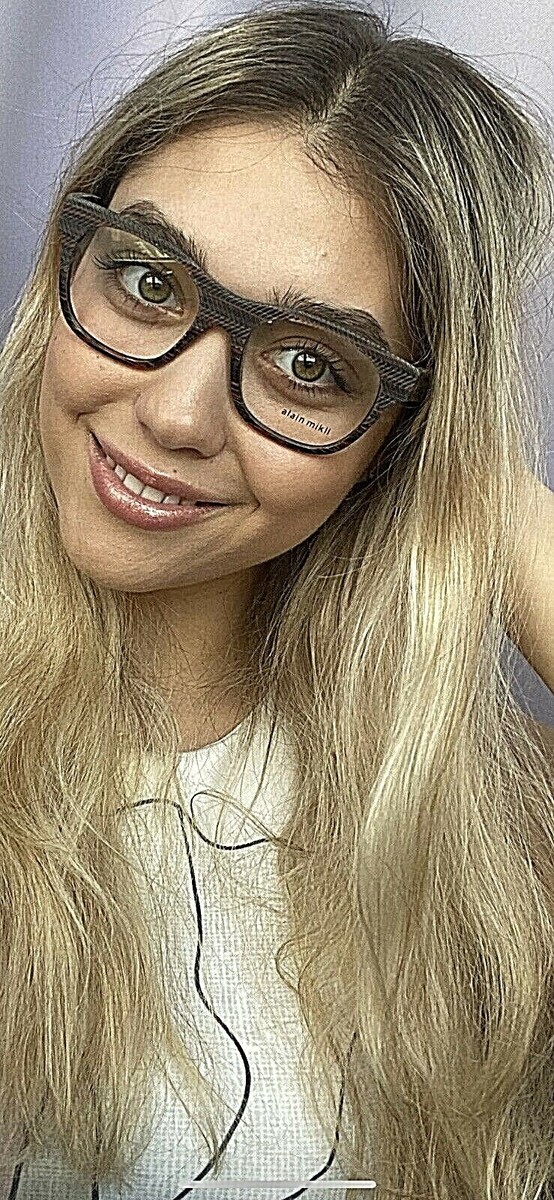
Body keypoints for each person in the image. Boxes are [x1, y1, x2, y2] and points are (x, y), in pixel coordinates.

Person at [0, 2, 553, 1197]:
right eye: (146, 281)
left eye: (310, 364)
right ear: (62, 264)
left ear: (395, 440)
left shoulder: (484, 828)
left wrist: (473, 483)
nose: (176, 415)